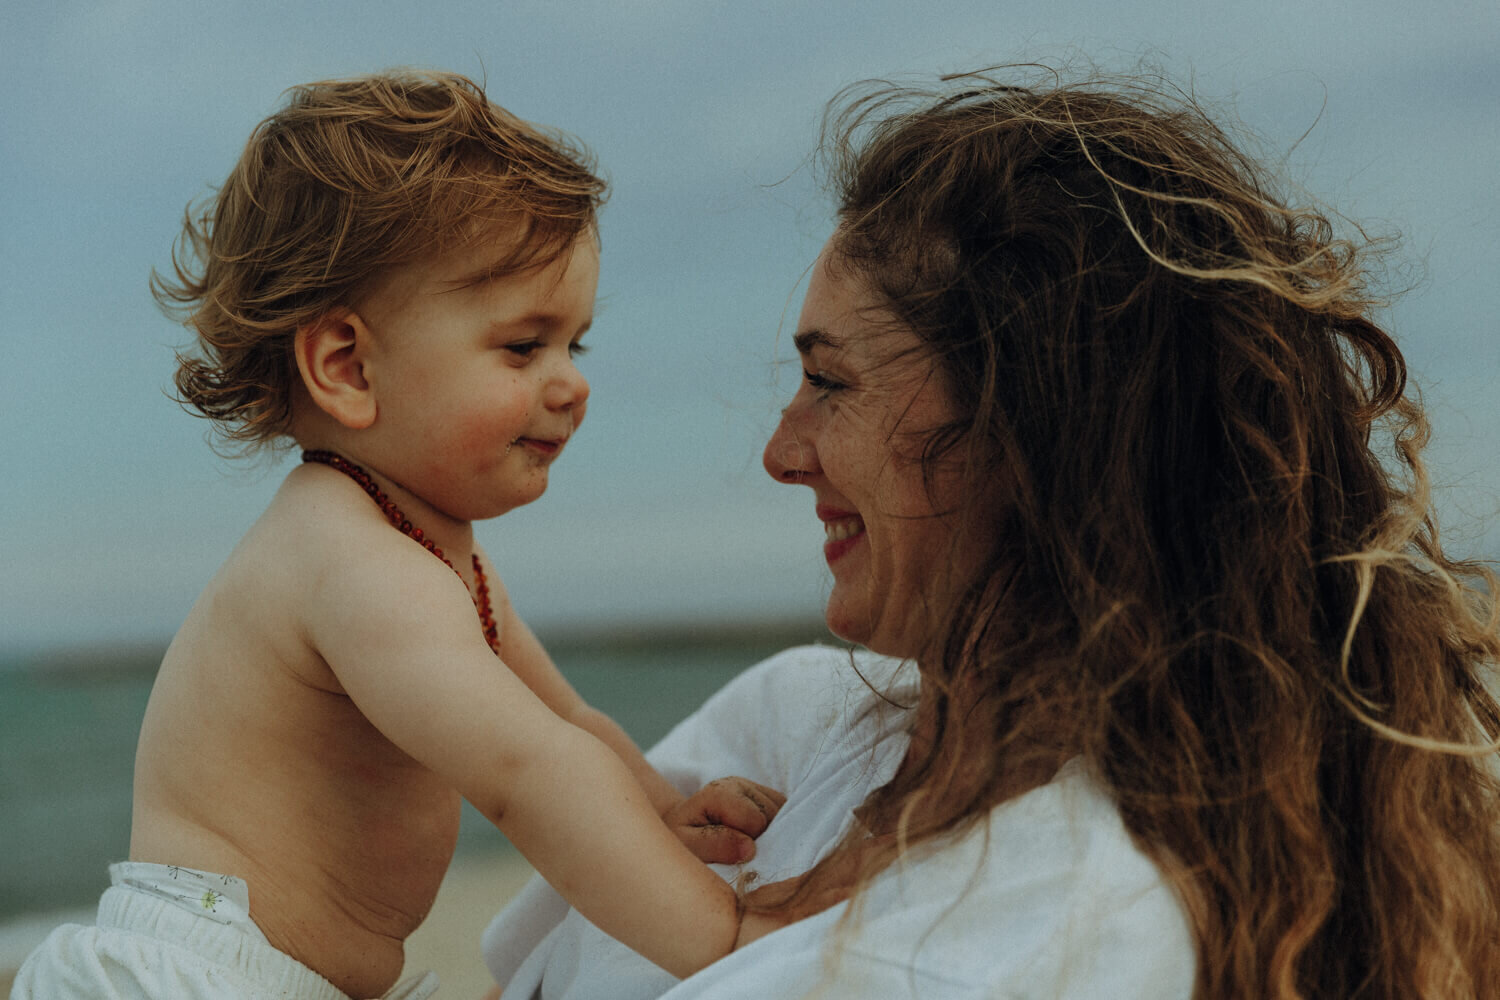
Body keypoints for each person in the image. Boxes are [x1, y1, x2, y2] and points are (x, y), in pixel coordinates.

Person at [482, 69, 1500, 999]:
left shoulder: (1049, 932)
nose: (782, 455)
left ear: (1038, 436)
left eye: (831, 382)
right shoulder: (802, 727)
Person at [10, 71, 799, 1000]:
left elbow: (565, 726)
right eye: (522, 346)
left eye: (573, 344)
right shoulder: (346, 558)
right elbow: (525, 774)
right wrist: (729, 937)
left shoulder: (427, 547)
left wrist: (663, 813)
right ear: (346, 366)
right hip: (195, 978)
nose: (572, 381)